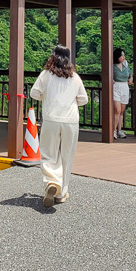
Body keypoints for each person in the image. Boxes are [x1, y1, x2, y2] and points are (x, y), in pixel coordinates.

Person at [30, 44, 89, 207]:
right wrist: (71, 101)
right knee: (67, 156)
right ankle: (61, 193)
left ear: (53, 57)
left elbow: (34, 93)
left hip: (51, 119)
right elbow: (84, 99)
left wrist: (47, 97)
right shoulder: (75, 77)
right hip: (70, 121)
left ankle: (51, 182)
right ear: (68, 59)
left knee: (49, 154)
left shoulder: (46, 75)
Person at [112, 48, 133, 139]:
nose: (123, 57)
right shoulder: (112, 66)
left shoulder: (125, 64)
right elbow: (103, 73)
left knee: (122, 111)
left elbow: (130, 73)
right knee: (117, 109)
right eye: (121, 55)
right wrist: (111, 79)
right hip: (116, 86)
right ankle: (113, 130)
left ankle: (119, 130)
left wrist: (131, 78)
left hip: (125, 86)